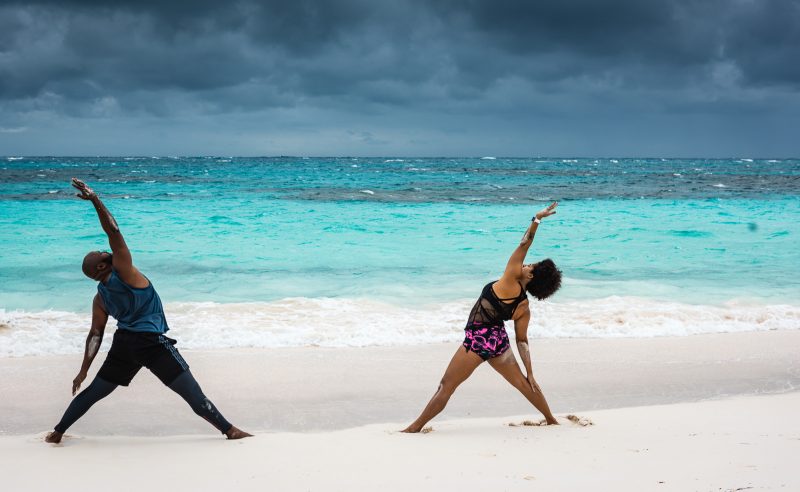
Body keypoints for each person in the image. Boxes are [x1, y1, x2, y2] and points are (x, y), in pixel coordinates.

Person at [45, 178, 251, 443]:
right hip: (150, 343)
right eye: (100, 253)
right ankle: (230, 430)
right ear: (100, 268)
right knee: (192, 393)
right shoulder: (126, 274)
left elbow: (95, 334)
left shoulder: (100, 298)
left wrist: (84, 370)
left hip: (124, 345)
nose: (104, 250)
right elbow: (115, 233)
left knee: (94, 392)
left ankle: (57, 432)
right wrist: (95, 199)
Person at [402, 202, 562, 432]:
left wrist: (536, 220)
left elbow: (524, 243)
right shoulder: (524, 306)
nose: (527, 263)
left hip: (477, 340)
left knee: (446, 386)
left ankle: (415, 427)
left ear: (531, 275)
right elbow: (522, 341)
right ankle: (551, 420)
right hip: (498, 341)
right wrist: (530, 373)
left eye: (531, 265)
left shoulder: (510, 278)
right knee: (525, 386)